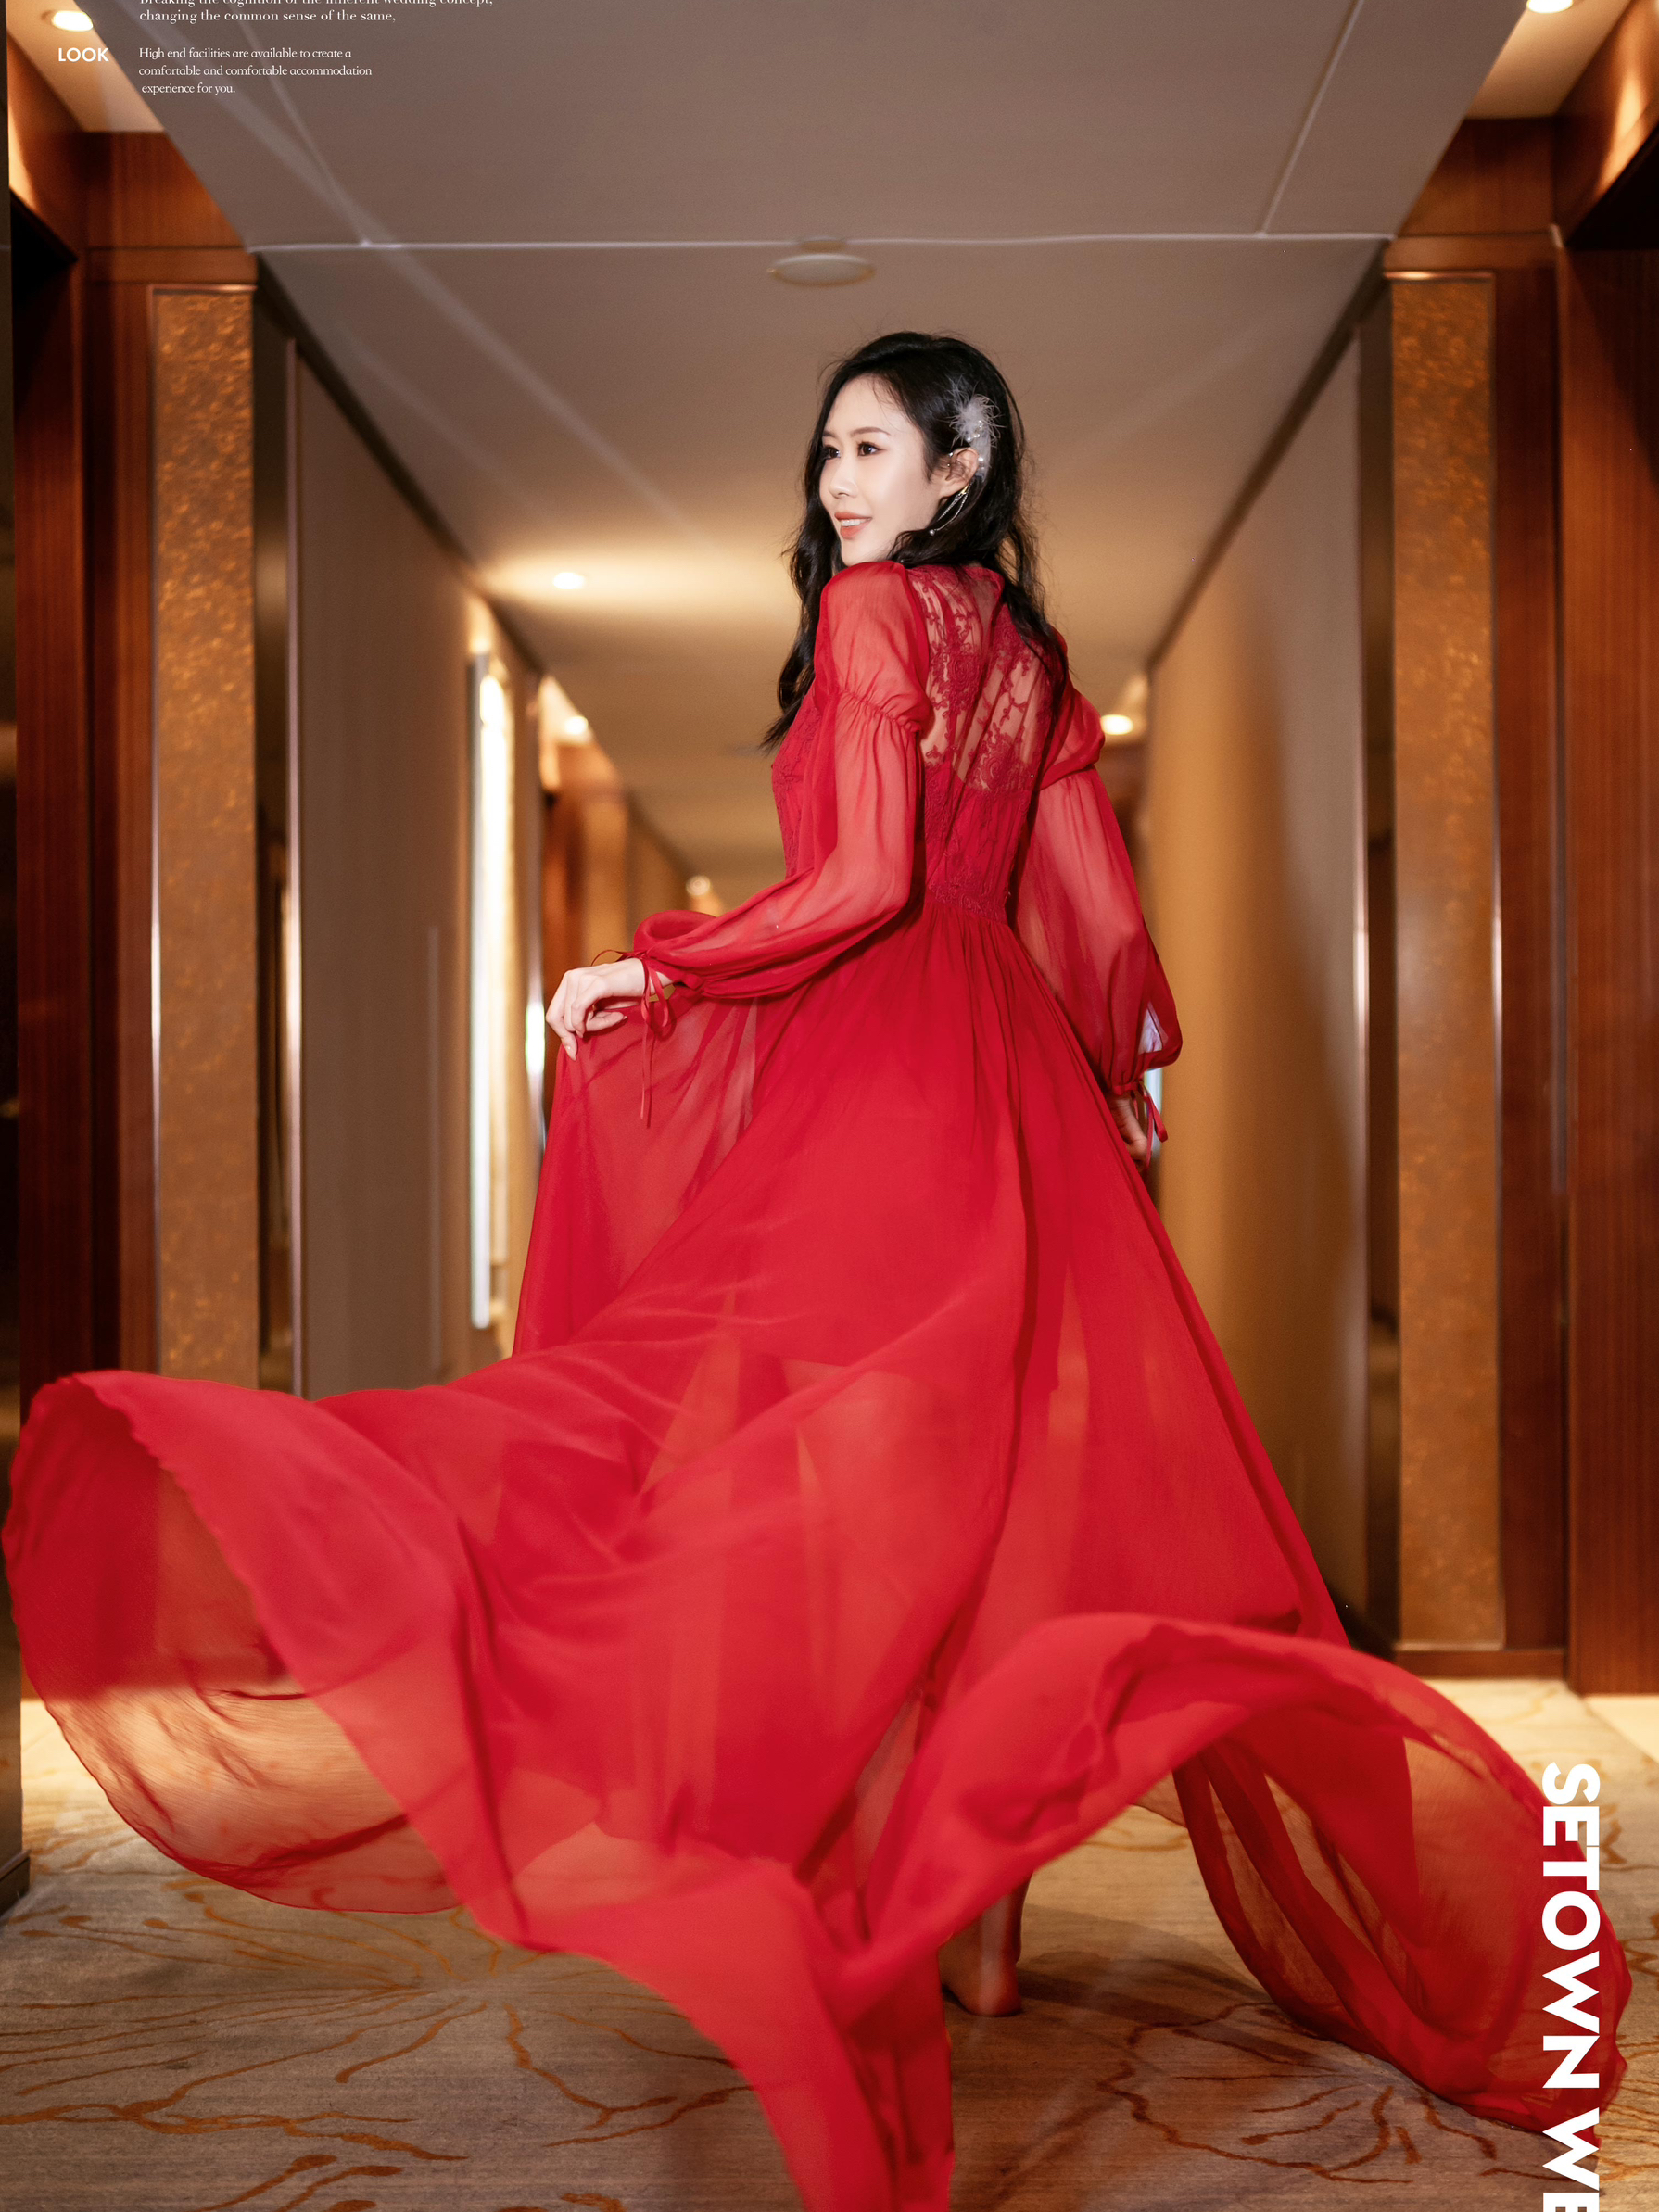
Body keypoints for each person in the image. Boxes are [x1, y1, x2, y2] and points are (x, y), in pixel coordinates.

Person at [4, 331, 1628, 2212]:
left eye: (869, 448)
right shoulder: (1030, 659)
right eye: (828, 451)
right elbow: (1093, 916)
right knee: (984, 1510)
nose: (837, 483)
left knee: (824, 1500)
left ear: (958, 467)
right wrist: (1116, 1087)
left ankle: (864, 1912)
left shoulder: (870, 618)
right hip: (1015, 1091)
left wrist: (658, 963)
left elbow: (860, 890)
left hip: (885, 1081)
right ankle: (981, 1930)